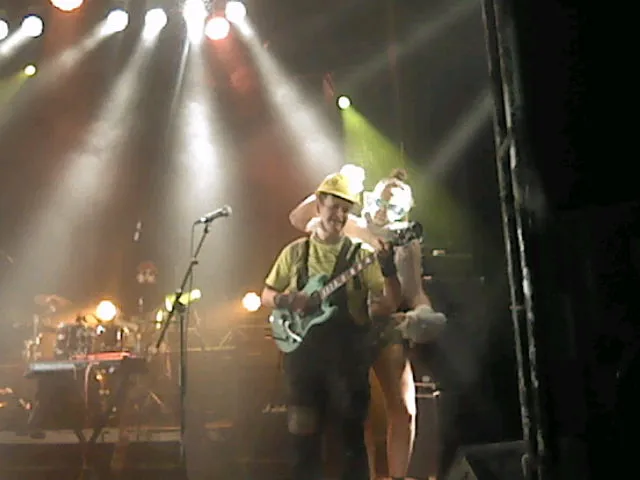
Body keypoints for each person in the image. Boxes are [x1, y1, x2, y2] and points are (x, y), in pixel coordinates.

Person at [289, 166, 447, 480]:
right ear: (370, 199)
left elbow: (414, 291)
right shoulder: (350, 223)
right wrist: (338, 182)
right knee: (358, 414)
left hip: (386, 326)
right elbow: (298, 218)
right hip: (349, 328)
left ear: (405, 212)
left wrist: (423, 313)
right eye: (381, 203)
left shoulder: (405, 242)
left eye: (395, 207)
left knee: (403, 409)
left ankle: (398, 476)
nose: (385, 212)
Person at [261, 172, 403, 480]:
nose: (339, 215)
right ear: (318, 207)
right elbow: (266, 295)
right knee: (303, 439)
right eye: (333, 207)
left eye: (345, 209)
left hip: (347, 359)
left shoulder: (361, 255)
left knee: (352, 440)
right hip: (302, 357)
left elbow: (390, 303)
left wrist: (389, 269)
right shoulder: (295, 252)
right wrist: (288, 300)